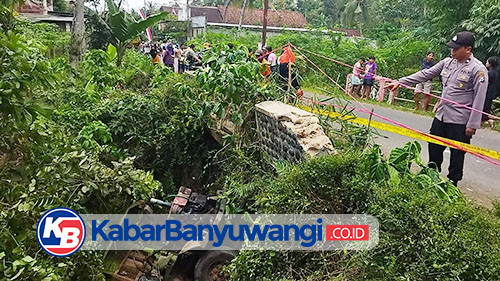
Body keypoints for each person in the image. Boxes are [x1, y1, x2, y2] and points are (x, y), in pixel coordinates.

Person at [386, 31, 488, 186]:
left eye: (456, 48)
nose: (452, 51)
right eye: (451, 48)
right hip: (441, 115)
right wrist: (400, 82)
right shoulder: (447, 62)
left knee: (457, 153)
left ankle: (452, 183)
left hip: (460, 121)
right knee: (434, 146)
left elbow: (480, 98)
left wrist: (472, 124)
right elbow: (425, 74)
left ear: (468, 49)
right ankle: (432, 176)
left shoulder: (478, 70)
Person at [482, 56, 500, 125]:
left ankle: (484, 118)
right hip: (492, 92)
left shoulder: (490, 73)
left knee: (485, 106)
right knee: (487, 106)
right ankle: (486, 117)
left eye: (487, 62)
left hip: (488, 92)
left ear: (490, 64)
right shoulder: (495, 72)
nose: (486, 63)